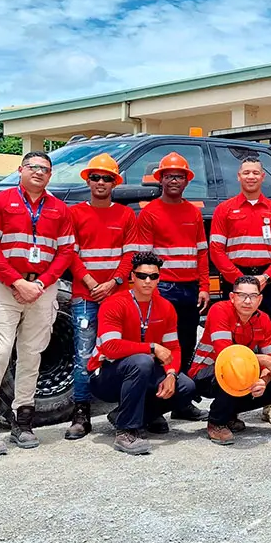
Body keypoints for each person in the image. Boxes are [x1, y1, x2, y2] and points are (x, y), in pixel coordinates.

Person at [0, 151, 75, 452]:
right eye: (33, 167)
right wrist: (16, 282)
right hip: (6, 286)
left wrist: (41, 283)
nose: (39, 172)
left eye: (45, 169)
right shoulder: (0, 202)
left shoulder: (59, 209)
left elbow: (65, 252)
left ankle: (23, 421)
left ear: (50, 175)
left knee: (32, 354)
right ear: (20, 170)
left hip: (43, 287)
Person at [87, 252, 195, 456]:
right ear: (132, 277)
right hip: (106, 375)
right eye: (142, 275)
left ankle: (130, 416)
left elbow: (173, 348)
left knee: (186, 387)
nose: (147, 281)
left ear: (159, 278)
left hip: (142, 369)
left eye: (153, 276)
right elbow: (110, 347)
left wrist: (171, 374)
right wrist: (152, 347)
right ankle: (126, 431)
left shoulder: (166, 307)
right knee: (142, 361)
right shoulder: (114, 303)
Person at [65, 153, 136, 441]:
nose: (101, 182)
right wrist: (93, 282)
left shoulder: (126, 215)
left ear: (115, 183)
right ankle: (81, 413)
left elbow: (129, 255)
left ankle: (124, 408)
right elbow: (70, 254)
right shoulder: (74, 214)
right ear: (88, 180)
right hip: (85, 295)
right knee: (83, 355)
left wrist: (114, 282)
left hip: (117, 295)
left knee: (120, 351)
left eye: (107, 178)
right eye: (95, 177)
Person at [134, 152, 210, 421]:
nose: (174, 180)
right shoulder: (149, 213)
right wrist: (150, 290)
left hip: (189, 289)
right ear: (161, 180)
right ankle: (155, 407)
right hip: (162, 289)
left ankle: (181, 402)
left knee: (186, 344)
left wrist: (204, 286)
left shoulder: (193, 212)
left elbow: (202, 252)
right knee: (158, 346)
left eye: (179, 176)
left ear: (187, 180)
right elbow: (144, 258)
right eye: (168, 176)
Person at [189, 276, 271, 445]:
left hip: (240, 370)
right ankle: (216, 422)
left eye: (253, 296)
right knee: (233, 371)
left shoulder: (264, 319)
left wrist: (263, 380)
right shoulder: (219, 310)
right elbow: (226, 357)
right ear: (232, 297)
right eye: (242, 295)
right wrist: (262, 359)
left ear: (260, 299)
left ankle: (229, 413)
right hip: (205, 373)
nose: (247, 301)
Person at [209, 155, 271, 338]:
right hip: (234, 279)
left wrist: (265, 278)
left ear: (263, 176)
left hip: (267, 281)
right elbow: (216, 250)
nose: (251, 176)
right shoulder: (224, 209)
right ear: (238, 176)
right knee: (232, 330)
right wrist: (239, 281)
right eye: (246, 173)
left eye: (255, 173)